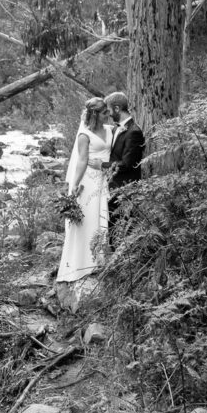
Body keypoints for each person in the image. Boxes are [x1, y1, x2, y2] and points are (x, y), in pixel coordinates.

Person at [57, 97, 112, 283]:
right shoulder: (84, 135)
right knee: (88, 219)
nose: (108, 114)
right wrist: (74, 187)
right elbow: (81, 161)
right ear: (96, 115)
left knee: (101, 217)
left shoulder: (110, 129)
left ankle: (100, 260)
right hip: (89, 180)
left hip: (105, 176)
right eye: (105, 112)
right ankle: (83, 262)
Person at [102, 91, 145, 245]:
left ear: (117, 108)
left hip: (125, 190)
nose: (108, 113)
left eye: (109, 109)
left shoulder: (134, 132)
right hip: (112, 188)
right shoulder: (115, 129)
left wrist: (101, 165)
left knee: (122, 229)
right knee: (113, 227)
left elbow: (127, 164)